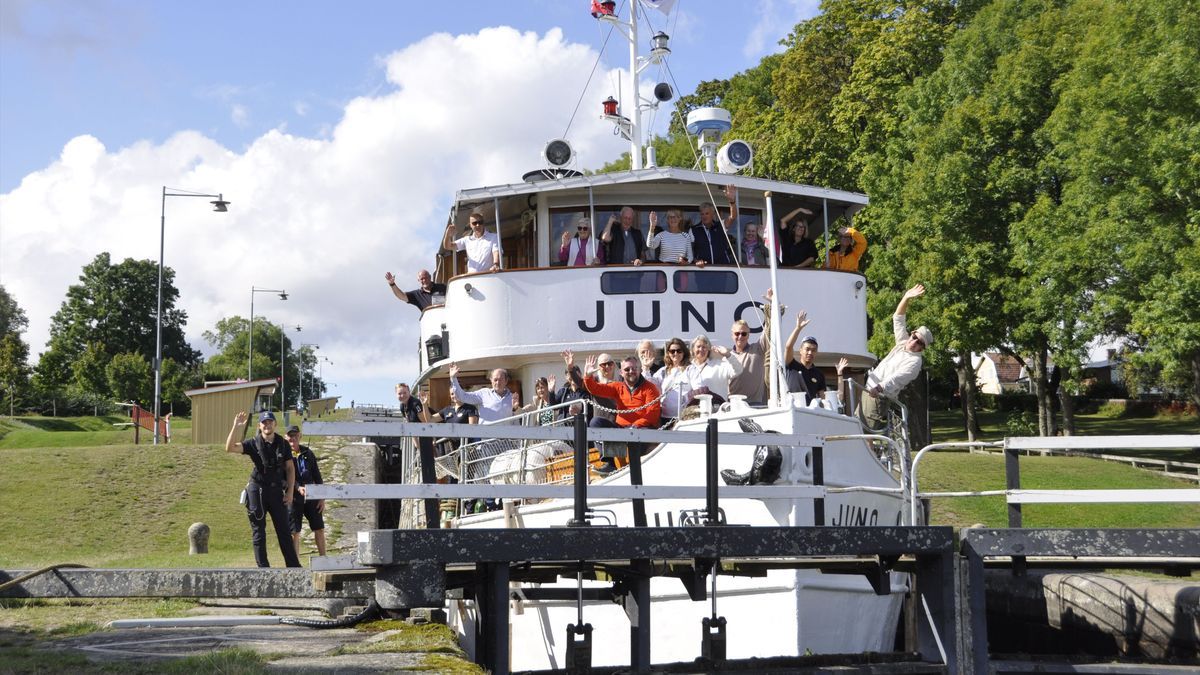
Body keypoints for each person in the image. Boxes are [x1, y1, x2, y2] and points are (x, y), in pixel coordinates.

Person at [225, 411, 300, 568]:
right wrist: (235, 426)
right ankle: (263, 569)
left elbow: (290, 468)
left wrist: (290, 492)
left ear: (275, 424)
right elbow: (230, 448)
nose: (267, 425)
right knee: (259, 530)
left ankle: (294, 568)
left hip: (276, 490)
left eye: (270, 422)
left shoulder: (283, 443)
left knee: (284, 530)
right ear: (259, 426)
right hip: (257, 490)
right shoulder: (253, 443)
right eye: (264, 422)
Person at [577, 352, 662, 473]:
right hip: (622, 428)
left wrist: (635, 426)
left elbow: (652, 414)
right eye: (627, 369)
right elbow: (595, 389)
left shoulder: (650, 388)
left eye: (634, 368)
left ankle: (636, 469)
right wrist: (587, 376)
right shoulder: (618, 386)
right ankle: (610, 463)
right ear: (621, 372)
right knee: (596, 423)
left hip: (642, 428)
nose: (631, 371)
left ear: (640, 370)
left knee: (642, 438)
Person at [861, 284, 933, 425]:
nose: (914, 342)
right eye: (914, 337)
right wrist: (906, 297)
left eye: (919, 343)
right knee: (858, 428)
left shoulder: (915, 363)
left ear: (922, 349)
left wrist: (879, 388)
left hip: (878, 396)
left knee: (867, 434)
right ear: (911, 334)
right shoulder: (902, 343)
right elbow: (898, 318)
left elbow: (896, 378)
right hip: (868, 389)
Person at [286, 425, 326, 558]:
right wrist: (297, 487)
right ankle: (295, 564)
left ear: (300, 436)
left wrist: (322, 497)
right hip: (293, 497)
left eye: (295, 435)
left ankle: (323, 558)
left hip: (312, 495)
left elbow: (317, 476)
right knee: (294, 532)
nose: (293, 438)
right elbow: (282, 478)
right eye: (290, 435)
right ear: (286, 437)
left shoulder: (308, 453)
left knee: (319, 528)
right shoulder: (283, 455)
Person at [783, 309, 827, 402]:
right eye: (807, 349)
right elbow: (788, 346)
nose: (810, 353)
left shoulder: (819, 374)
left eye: (813, 350)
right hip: (792, 408)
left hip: (809, 413)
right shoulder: (791, 365)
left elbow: (822, 398)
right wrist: (798, 328)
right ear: (800, 350)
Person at [685, 334, 742, 406]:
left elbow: (738, 370)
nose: (701, 349)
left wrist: (727, 354)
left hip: (719, 410)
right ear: (693, 349)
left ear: (708, 349)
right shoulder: (688, 368)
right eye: (698, 346)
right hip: (697, 411)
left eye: (704, 347)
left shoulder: (720, 365)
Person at [448, 363, 514, 423]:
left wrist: (516, 409)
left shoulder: (512, 397)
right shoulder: (484, 394)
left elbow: (517, 417)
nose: (498, 382)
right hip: (487, 435)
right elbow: (462, 397)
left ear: (506, 381)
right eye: (495, 380)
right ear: (491, 380)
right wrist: (453, 378)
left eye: (501, 379)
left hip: (506, 435)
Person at [691, 185, 738, 265]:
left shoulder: (720, 225)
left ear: (713, 214)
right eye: (702, 214)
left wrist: (732, 201)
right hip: (702, 270)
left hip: (722, 269)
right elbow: (690, 251)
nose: (704, 216)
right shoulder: (693, 230)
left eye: (707, 213)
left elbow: (732, 217)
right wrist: (696, 261)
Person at [649, 337, 692, 422]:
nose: (675, 353)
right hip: (665, 417)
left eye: (679, 351)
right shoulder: (663, 371)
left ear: (684, 352)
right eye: (672, 351)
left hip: (684, 416)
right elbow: (650, 384)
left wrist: (687, 399)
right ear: (668, 353)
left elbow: (698, 387)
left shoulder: (690, 369)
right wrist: (646, 368)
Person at [727, 317, 769, 404]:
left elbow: (768, 331)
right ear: (732, 335)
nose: (740, 336)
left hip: (755, 404)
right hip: (734, 405)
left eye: (744, 334)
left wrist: (771, 313)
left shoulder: (758, 349)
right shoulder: (727, 358)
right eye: (737, 333)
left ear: (748, 335)